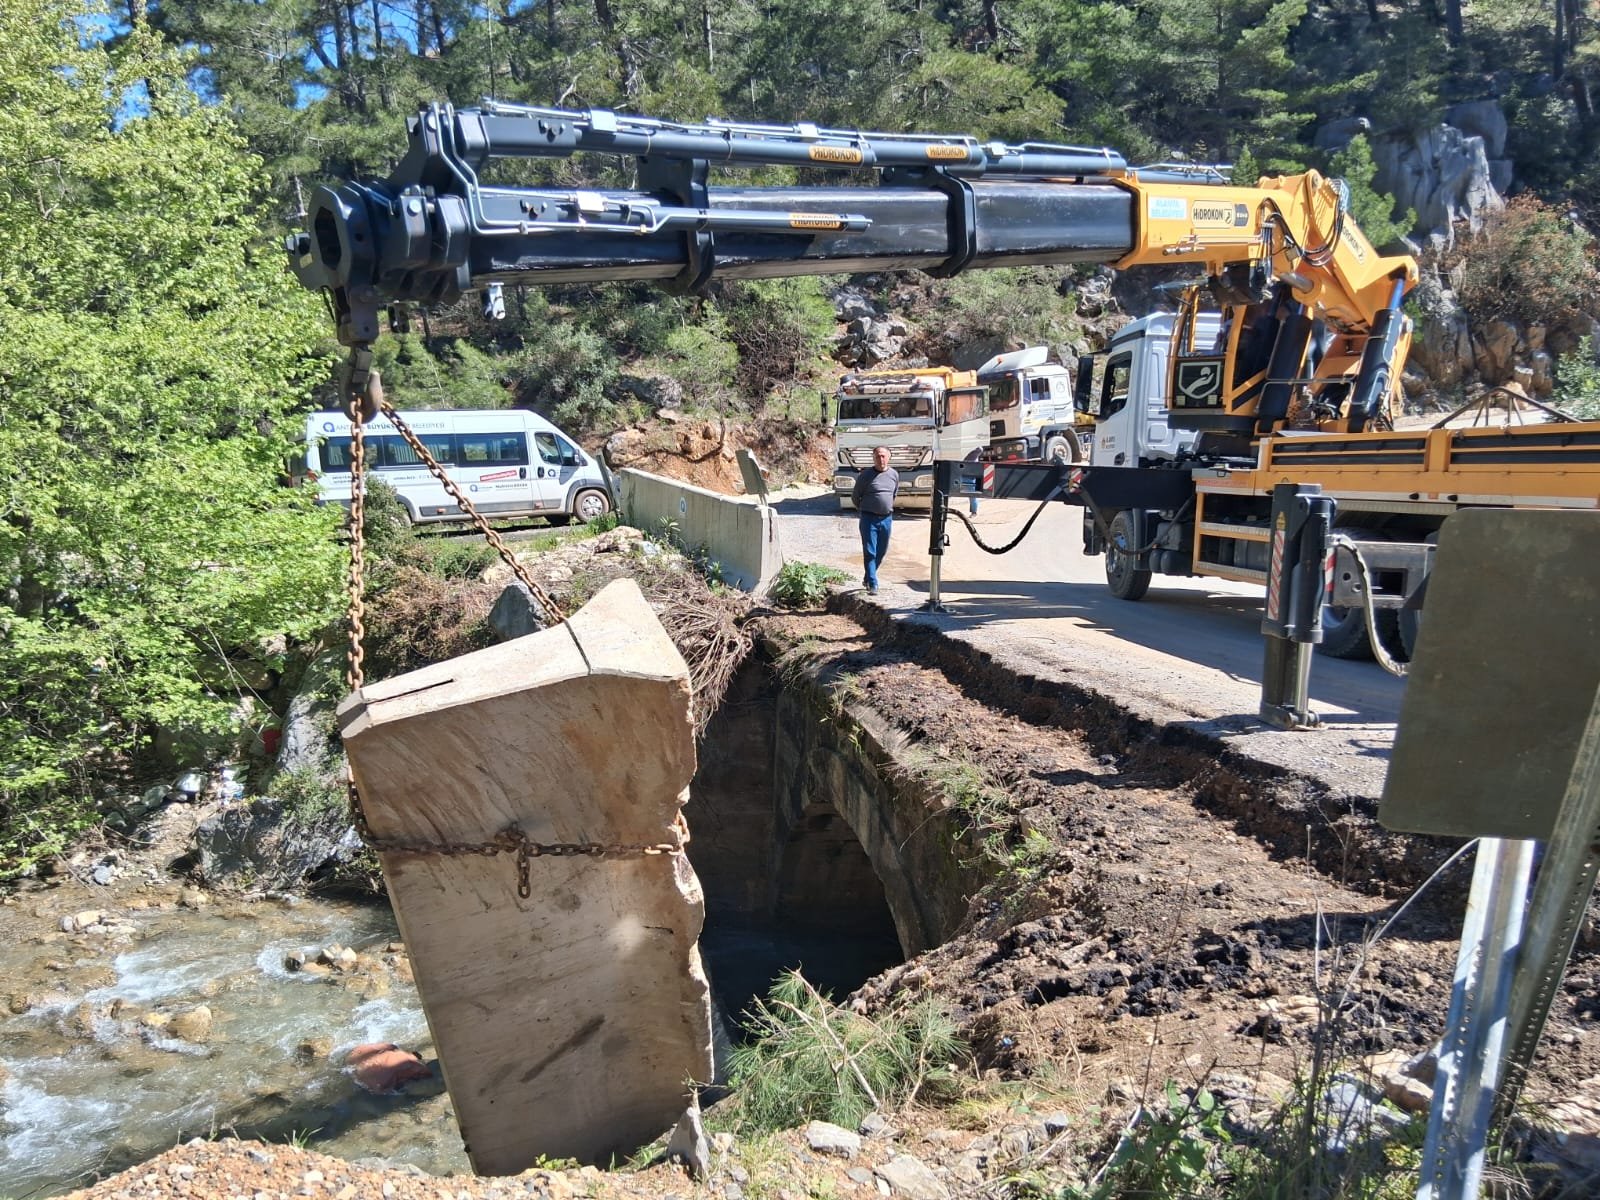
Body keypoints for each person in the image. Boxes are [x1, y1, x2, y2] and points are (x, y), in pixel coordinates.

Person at [851, 446, 898, 594]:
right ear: (873, 458)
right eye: (878, 456)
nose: (881, 459)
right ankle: (873, 583)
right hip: (868, 518)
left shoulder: (894, 475)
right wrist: (866, 509)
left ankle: (867, 576)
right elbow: (855, 497)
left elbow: (893, 494)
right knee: (870, 551)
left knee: (881, 551)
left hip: (886, 518)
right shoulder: (865, 475)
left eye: (883, 456)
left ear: (889, 457)